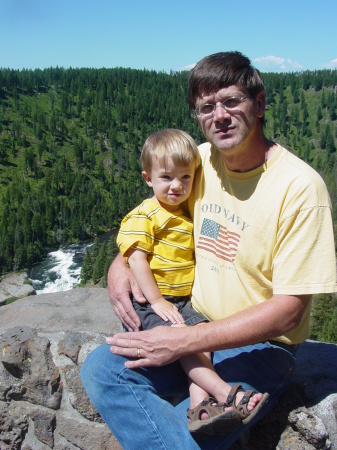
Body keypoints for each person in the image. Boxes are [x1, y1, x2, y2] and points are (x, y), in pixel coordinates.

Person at [81, 51, 337, 449]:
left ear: (260, 103)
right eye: (206, 107)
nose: (219, 115)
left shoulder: (300, 188)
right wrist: (121, 264)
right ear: (198, 117)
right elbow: (155, 223)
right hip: (191, 322)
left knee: (194, 433)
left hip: (261, 347)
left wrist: (184, 342)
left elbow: (290, 311)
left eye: (232, 101)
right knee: (102, 369)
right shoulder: (200, 161)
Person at [116, 128, 269, 438]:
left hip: (181, 302)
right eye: (167, 178)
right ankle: (229, 395)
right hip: (152, 301)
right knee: (184, 343)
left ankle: (199, 409)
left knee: (199, 338)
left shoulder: (185, 213)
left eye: (185, 178)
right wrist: (157, 300)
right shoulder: (145, 214)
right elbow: (136, 260)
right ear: (148, 178)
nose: (177, 186)